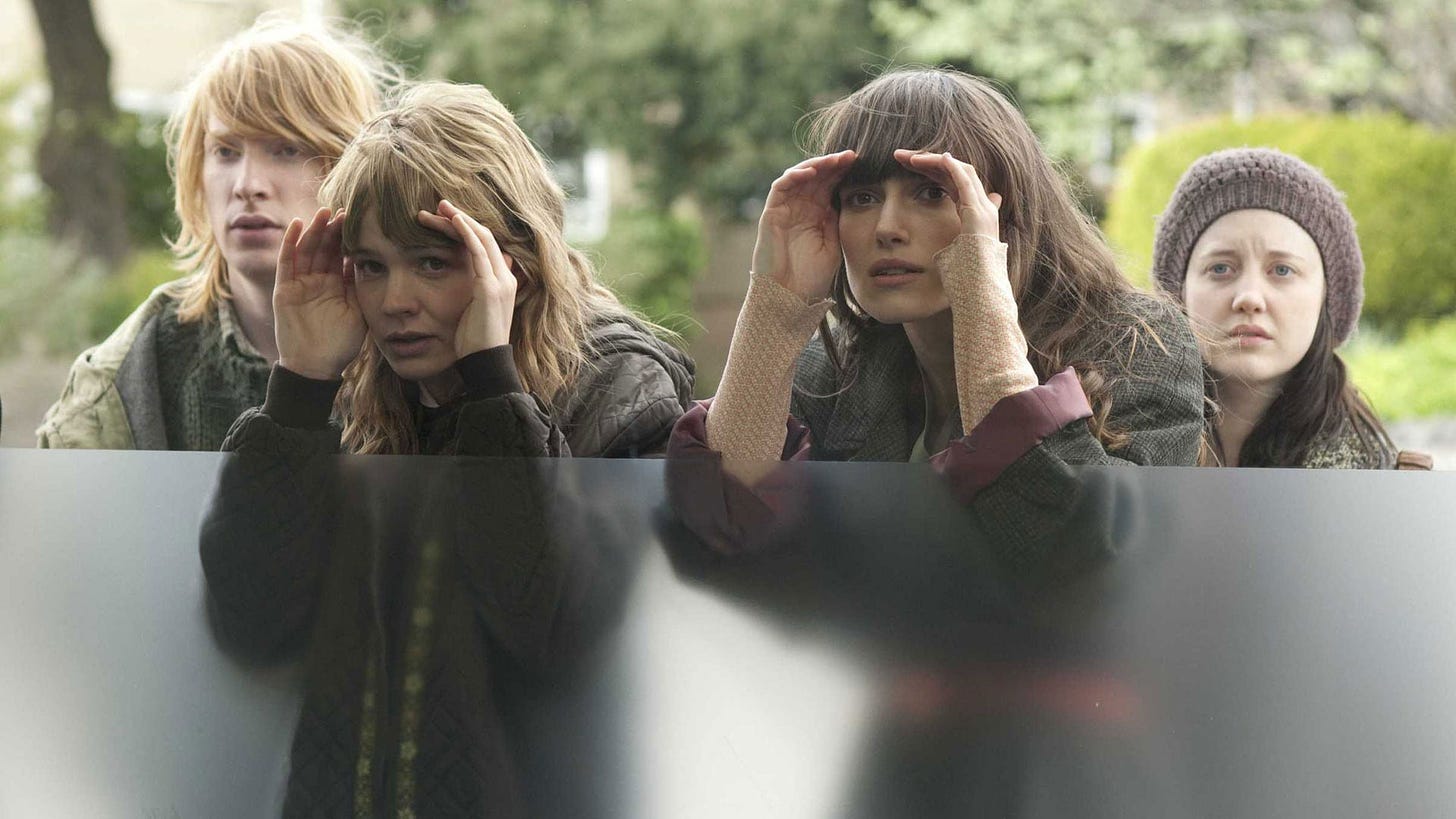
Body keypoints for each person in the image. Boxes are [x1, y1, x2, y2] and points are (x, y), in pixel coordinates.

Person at [200, 81, 693, 817]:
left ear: (511, 260)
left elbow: (552, 633)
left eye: (433, 262)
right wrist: (298, 389)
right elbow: (251, 624)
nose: (396, 299)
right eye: (371, 265)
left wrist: (492, 391)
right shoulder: (352, 380)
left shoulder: (618, 386)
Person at [669, 67, 1204, 581]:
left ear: (1007, 212)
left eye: (931, 192)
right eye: (861, 197)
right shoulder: (841, 365)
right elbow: (719, 524)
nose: (887, 228)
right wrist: (775, 311)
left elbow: (1082, 557)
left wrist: (981, 300)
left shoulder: (1140, 342)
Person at [36, 15, 394, 450]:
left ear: (350, 165)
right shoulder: (136, 368)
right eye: (225, 151)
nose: (246, 184)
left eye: (286, 149)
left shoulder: (411, 336)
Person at [1152, 147, 1426, 469]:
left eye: (1282, 270)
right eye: (1221, 268)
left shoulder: (1384, 487)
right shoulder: (1110, 449)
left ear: (1328, 296)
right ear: (1179, 292)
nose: (1249, 298)